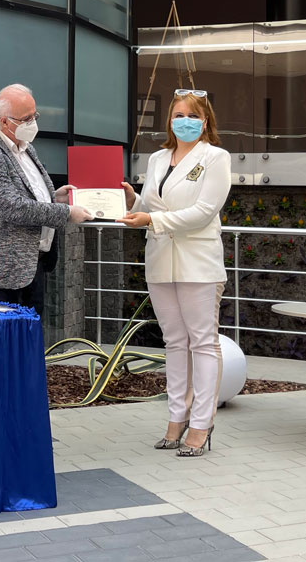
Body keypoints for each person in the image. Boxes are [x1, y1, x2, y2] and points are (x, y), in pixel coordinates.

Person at [117, 88, 231, 457]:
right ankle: (176, 418)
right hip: (161, 260)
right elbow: (152, 204)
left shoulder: (215, 157)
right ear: (169, 120)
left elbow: (204, 211)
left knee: (203, 343)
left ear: (205, 121)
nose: (184, 121)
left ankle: (201, 423)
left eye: (192, 115)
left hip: (199, 262)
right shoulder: (157, 158)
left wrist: (151, 219)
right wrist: (132, 201)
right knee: (174, 343)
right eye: (178, 115)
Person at [0, 83, 93, 316]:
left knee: (32, 334)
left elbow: (27, 194)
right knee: (5, 337)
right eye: (26, 118)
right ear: (4, 122)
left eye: (34, 115)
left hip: (32, 265)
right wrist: (66, 212)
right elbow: (13, 207)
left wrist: (55, 197)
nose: (33, 122)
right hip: (2, 273)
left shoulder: (27, 149)